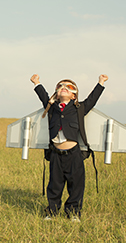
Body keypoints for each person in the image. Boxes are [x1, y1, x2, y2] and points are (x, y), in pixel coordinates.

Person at [30, 74, 108, 221]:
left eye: (69, 87)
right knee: (54, 185)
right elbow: (43, 96)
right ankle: (51, 212)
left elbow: (92, 99)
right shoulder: (52, 108)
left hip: (74, 154)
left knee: (76, 185)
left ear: (74, 96)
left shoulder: (79, 108)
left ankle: (73, 213)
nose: (64, 88)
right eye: (60, 86)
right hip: (55, 154)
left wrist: (101, 82)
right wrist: (36, 83)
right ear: (56, 94)